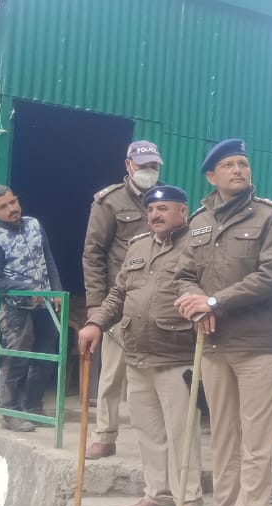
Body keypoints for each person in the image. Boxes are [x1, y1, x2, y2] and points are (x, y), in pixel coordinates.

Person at [173, 139, 272, 506]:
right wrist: (194, 304)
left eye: (243, 163)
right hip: (213, 343)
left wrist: (215, 302)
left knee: (255, 442)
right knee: (222, 438)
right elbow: (183, 275)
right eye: (228, 165)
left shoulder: (271, 216)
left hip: (257, 342)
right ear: (212, 176)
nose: (239, 169)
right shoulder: (199, 221)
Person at [78, 185, 203, 506]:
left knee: (182, 434)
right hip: (137, 355)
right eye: (151, 210)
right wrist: (96, 323)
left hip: (176, 355)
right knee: (148, 431)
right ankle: (158, 494)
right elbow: (118, 294)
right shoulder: (138, 246)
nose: (155, 215)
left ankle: (189, 501)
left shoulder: (196, 246)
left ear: (182, 211)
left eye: (163, 209)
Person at [81, 140, 163, 460]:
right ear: (129, 165)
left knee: (158, 371)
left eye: (154, 166)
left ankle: (157, 440)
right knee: (112, 373)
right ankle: (105, 435)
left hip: (158, 301)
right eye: (143, 165)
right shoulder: (109, 202)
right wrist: (95, 304)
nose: (149, 171)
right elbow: (93, 254)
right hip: (119, 301)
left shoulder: (166, 199)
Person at [0, 185, 63, 433]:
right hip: (16, 310)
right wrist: (26, 288)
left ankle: (33, 409)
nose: (12, 208)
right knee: (16, 359)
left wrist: (56, 290)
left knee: (45, 357)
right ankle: (11, 413)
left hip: (45, 304)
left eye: (13, 202)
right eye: (4, 206)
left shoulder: (34, 225)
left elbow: (48, 259)